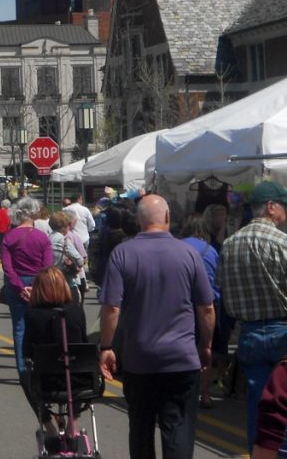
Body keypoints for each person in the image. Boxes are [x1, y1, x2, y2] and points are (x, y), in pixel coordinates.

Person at [99, 195, 215, 459]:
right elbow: (206, 307)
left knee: (140, 428)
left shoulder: (123, 253)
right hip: (181, 359)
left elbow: (111, 308)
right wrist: (206, 345)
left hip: (139, 360)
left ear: (139, 220)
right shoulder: (189, 253)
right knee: (178, 428)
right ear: (167, 218)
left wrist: (106, 346)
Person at [217, 181, 287, 448]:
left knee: (259, 408)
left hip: (250, 334)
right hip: (282, 332)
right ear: (271, 208)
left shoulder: (230, 244)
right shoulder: (283, 243)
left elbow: (224, 293)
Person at [21, 267, 88, 435]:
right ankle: (73, 422)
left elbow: (27, 352)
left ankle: (48, 425)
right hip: (78, 381)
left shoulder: (33, 315)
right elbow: (85, 344)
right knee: (82, 368)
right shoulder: (77, 312)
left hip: (47, 381)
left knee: (25, 375)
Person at [0, 197, 52, 373]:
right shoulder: (43, 237)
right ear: (34, 213)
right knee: (41, 326)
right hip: (39, 282)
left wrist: (20, 287)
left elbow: (8, 268)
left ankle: (22, 369)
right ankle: (40, 365)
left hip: (16, 284)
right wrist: (35, 287)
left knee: (20, 327)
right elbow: (47, 267)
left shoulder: (9, 238)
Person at [179, 214, 222, 409]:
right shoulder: (211, 250)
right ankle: (205, 394)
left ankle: (184, 392)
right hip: (208, 305)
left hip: (182, 306)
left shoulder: (177, 247)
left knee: (183, 347)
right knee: (206, 348)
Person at [47, 211, 85, 305]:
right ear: (64, 226)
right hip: (65, 278)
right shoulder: (63, 240)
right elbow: (78, 259)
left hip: (50, 277)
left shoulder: (48, 238)